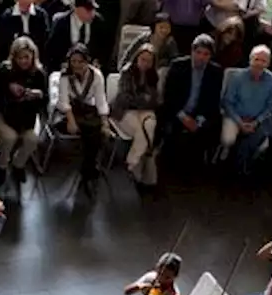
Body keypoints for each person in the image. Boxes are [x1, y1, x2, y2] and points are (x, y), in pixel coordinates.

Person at [0, 35, 44, 187]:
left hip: (26, 118)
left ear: (33, 56)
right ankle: (2, 165)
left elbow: (43, 103)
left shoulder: (38, 74)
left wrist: (37, 95)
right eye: (20, 57)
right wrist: (9, 90)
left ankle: (19, 164)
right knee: (10, 137)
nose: (23, 61)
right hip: (2, 114)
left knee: (32, 140)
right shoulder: (5, 70)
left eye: (27, 57)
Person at [55, 44, 109, 188]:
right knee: (91, 131)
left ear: (87, 61)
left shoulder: (96, 75)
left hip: (87, 110)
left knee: (97, 129)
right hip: (69, 112)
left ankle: (88, 166)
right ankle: (89, 167)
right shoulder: (65, 76)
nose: (77, 65)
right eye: (74, 61)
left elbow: (100, 100)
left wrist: (105, 122)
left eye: (81, 61)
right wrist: (71, 121)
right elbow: (64, 101)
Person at [219, 44, 272, 175]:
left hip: (257, 121)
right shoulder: (237, 77)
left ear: (268, 63)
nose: (259, 64)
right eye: (257, 59)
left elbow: (271, 105)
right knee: (228, 139)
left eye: (264, 61)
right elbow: (227, 102)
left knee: (256, 141)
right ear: (250, 60)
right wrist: (240, 122)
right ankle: (225, 164)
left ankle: (242, 169)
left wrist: (256, 122)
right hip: (235, 117)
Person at [160, 34, 222, 155]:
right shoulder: (178, 66)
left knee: (206, 133)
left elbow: (213, 101)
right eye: (198, 52)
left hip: (200, 115)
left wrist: (198, 121)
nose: (201, 57)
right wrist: (184, 118)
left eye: (206, 54)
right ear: (192, 51)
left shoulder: (216, 72)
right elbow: (169, 96)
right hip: (177, 112)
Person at [112, 42, 161, 183]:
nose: (145, 63)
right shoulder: (127, 72)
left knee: (150, 126)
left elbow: (155, 101)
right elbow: (124, 98)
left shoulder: (153, 76)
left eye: (149, 61)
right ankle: (135, 166)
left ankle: (133, 166)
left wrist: (142, 100)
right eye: (143, 59)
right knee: (142, 133)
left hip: (144, 111)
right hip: (124, 111)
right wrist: (143, 99)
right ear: (136, 58)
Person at [45, 0, 109, 71]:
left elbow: (103, 46)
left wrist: (98, 61)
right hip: (65, 68)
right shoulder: (60, 22)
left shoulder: (98, 21)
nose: (92, 13)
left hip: (89, 70)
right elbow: (52, 49)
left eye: (93, 9)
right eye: (88, 10)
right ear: (76, 8)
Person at [0, 0, 49, 70]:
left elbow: (45, 41)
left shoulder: (41, 15)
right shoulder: (6, 16)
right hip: (13, 62)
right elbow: (3, 43)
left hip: (37, 62)